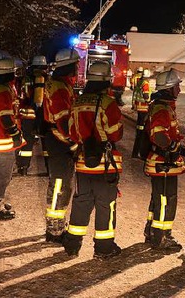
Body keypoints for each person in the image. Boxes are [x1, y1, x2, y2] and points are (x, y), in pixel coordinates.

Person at [63, 61, 124, 259]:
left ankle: (72, 244)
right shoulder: (108, 103)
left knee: (81, 202)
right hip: (105, 164)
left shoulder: (77, 102)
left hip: (83, 162)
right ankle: (104, 248)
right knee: (106, 204)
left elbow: (72, 132)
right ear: (107, 80)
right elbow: (116, 134)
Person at [143, 68, 185, 251]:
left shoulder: (161, 105)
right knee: (166, 199)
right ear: (169, 88)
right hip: (164, 162)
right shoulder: (162, 108)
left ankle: (151, 231)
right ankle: (161, 237)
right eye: (177, 86)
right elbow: (160, 135)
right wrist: (171, 149)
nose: (180, 89)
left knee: (158, 198)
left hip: (161, 161)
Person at [41, 48, 80, 243]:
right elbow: (63, 120)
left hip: (58, 139)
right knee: (59, 184)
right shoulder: (59, 87)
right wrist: (74, 141)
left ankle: (56, 224)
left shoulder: (61, 84)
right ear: (69, 66)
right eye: (76, 65)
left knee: (63, 183)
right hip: (59, 140)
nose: (78, 68)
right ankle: (54, 229)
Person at [0, 56, 26, 220]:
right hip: (3, 139)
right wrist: (15, 133)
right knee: (3, 173)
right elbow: (6, 116)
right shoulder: (3, 89)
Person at [15, 55, 49, 176]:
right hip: (43, 115)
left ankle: (23, 167)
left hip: (27, 115)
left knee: (27, 143)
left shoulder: (26, 79)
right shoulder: (47, 79)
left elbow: (21, 95)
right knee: (46, 143)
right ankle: (49, 169)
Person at [131, 68, 151, 160]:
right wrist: (149, 102)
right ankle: (141, 152)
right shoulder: (145, 83)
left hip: (138, 107)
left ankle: (135, 152)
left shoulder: (139, 81)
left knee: (139, 129)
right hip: (144, 108)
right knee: (143, 130)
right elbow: (146, 95)